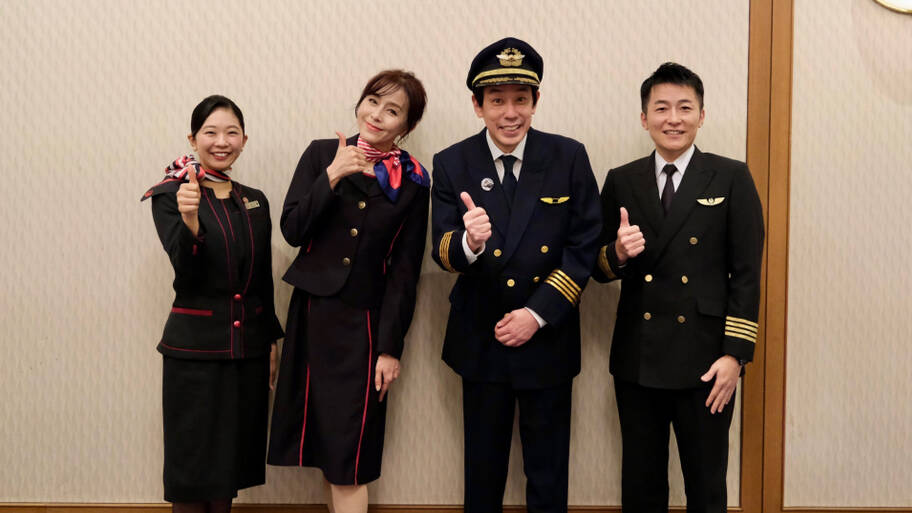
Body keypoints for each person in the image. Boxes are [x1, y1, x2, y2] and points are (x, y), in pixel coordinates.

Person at [430, 38, 601, 513]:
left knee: (548, 472)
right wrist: (471, 242)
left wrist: (536, 314)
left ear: (536, 101)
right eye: (497, 101)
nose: (510, 113)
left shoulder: (567, 156)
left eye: (520, 100)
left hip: (547, 336)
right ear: (477, 105)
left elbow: (584, 243)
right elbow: (442, 251)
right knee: (482, 471)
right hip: (481, 337)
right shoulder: (452, 162)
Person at [592, 62, 765, 512]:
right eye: (662, 108)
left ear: (701, 116)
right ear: (644, 118)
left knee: (706, 486)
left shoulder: (730, 176)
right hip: (639, 358)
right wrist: (619, 253)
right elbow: (597, 266)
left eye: (685, 108)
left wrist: (735, 356)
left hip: (707, 361)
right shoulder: (622, 179)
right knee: (641, 486)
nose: (673, 118)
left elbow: (747, 273)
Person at [267, 70, 429, 513]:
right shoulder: (322, 153)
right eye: (372, 101)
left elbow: (405, 271)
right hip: (313, 315)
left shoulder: (414, 180)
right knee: (326, 449)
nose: (377, 115)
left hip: (364, 327)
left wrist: (391, 348)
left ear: (407, 125)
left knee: (350, 457)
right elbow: (293, 229)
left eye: (392, 110)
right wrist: (333, 175)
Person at [142, 95, 284, 513]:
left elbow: (261, 278)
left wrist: (270, 340)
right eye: (211, 132)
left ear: (244, 140)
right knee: (191, 467)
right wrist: (189, 221)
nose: (222, 141)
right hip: (194, 351)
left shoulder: (254, 199)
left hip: (247, 351)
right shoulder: (171, 193)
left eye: (231, 133)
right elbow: (185, 274)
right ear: (193, 139)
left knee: (229, 465)